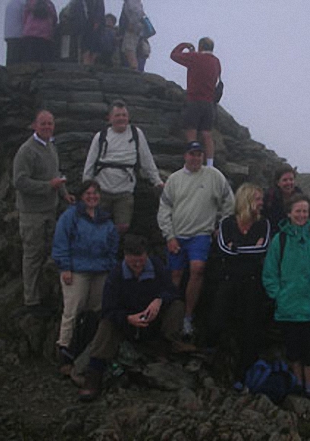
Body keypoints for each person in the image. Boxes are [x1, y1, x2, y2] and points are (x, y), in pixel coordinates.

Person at [77, 235, 186, 401]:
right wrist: (128, 318)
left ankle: (166, 347)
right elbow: (108, 309)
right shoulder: (116, 275)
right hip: (127, 324)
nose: (137, 265)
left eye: (141, 260)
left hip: (153, 322)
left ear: (146, 255)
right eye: (133, 261)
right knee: (106, 324)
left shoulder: (156, 266)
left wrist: (159, 299)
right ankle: (94, 374)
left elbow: (172, 291)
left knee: (177, 306)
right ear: (125, 257)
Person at [263, 194, 310, 399]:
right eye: (298, 211)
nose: (302, 215)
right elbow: (270, 272)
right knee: (293, 350)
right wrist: (278, 295)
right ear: (289, 213)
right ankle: (297, 386)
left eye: (305, 211)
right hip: (289, 306)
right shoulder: (281, 239)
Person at [157, 141, 234, 337]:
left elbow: (229, 201)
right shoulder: (174, 179)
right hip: (177, 235)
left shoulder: (214, 176)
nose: (195, 158)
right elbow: (164, 209)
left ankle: (188, 317)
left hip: (201, 234)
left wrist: (221, 226)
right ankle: (171, 315)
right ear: (185, 156)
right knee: (174, 276)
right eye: (192, 154)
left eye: (199, 154)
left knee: (197, 269)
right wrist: (169, 236)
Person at [52, 180, 119, 375]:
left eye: (96, 193)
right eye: (88, 193)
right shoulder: (71, 216)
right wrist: (64, 267)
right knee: (72, 310)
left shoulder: (104, 218)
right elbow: (61, 240)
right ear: (82, 195)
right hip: (76, 270)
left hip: (100, 271)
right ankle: (64, 352)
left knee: (95, 311)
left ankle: (85, 351)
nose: (92, 196)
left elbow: (113, 242)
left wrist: (110, 264)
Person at [13, 110, 75, 315]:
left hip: (50, 210)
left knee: (49, 254)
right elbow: (20, 182)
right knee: (33, 256)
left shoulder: (50, 146)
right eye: (43, 124)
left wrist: (64, 194)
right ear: (34, 126)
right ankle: (31, 301)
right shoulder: (26, 151)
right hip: (32, 214)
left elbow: (55, 174)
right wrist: (49, 186)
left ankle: (45, 295)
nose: (47, 127)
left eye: (50, 123)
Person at [208, 183, 271, 384]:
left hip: (252, 283)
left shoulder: (264, 224)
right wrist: (249, 247)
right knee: (218, 322)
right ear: (247, 200)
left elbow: (262, 250)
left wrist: (237, 248)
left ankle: (245, 374)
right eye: (258, 199)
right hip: (228, 281)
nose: (261, 204)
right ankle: (215, 368)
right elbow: (223, 250)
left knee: (250, 328)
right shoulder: (227, 223)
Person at [83, 100, 163, 234]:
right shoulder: (101, 137)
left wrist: (157, 181)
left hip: (124, 192)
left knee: (123, 227)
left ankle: (116, 250)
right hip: (102, 191)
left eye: (124, 115)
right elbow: (90, 164)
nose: (121, 118)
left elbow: (147, 160)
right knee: (97, 226)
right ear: (110, 118)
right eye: (118, 115)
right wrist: (86, 189)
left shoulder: (136, 134)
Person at [170, 37, 221, 167]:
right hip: (209, 102)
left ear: (200, 46)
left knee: (191, 131)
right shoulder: (216, 61)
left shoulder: (195, 58)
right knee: (207, 134)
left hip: (194, 100)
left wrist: (183, 45)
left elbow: (174, 55)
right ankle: (210, 164)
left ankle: (192, 158)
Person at [262, 164, 302, 235]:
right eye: (285, 180)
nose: (289, 183)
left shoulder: (300, 196)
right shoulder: (270, 197)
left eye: (291, 179)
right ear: (278, 183)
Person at [119, 0, 145, 70]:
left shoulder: (131, 1)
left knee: (129, 47)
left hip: (132, 28)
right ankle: (133, 66)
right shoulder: (135, 2)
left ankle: (134, 66)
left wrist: (132, 23)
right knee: (128, 47)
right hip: (135, 28)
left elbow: (136, 12)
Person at [80, 0, 105, 65]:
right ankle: (87, 63)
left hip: (93, 27)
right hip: (86, 26)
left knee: (93, 47)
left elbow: (100, 12)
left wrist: (97, 22)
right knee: (86, 47)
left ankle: (90, 64)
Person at [4, 0, 26, 66]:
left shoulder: (10, 4)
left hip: (9, 34)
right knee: (18, 59)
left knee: (10, 57)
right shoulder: (23, 4)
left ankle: (8, 73)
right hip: (19, 34)